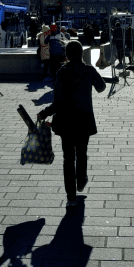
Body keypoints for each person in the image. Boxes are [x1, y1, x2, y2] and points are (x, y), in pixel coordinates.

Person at [38, 40, 106, 207]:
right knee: (82, 153)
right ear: (81, 54)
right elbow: (102, 87)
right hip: (84, 120)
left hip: (66, 121)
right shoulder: (89, 70)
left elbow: (58, 102)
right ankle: (81, 179)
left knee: (68, 159)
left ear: (66, 56)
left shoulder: (61, 73)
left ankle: (71, 198)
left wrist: (44, 113)